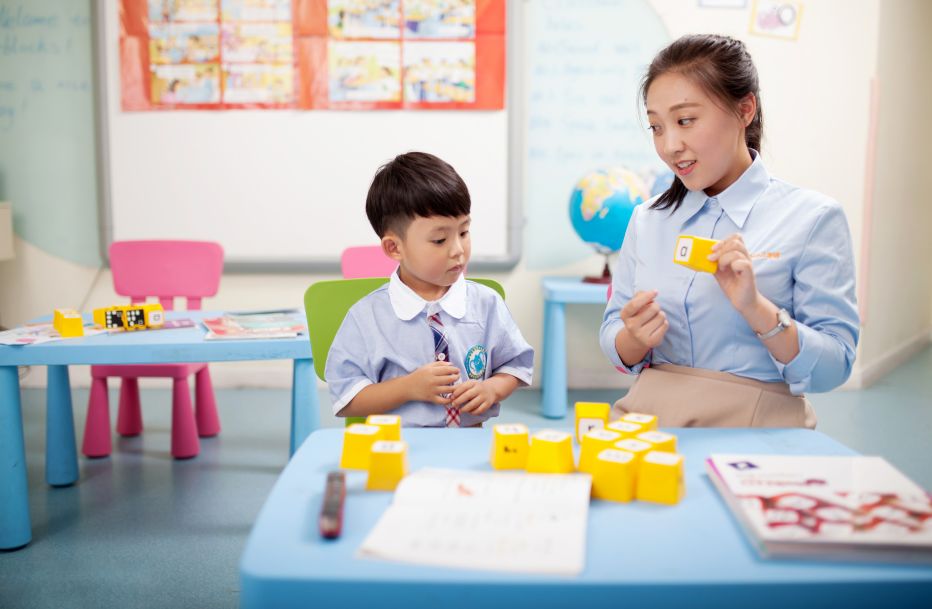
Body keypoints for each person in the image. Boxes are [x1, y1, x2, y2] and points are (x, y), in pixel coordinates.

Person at [599, 34, 859, 428]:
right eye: (656, 127)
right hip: (648, 421)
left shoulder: (812, 218)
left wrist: (758, 309)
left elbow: (834, 367)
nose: (670, 145)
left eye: (685, 120)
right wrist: (633, 338)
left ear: (745, 110)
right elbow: (613, 330)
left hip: (756, 428)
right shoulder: (647, 219)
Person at [326, 152, 534, 427]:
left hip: (470, 443)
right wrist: (408, 387)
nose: (458, 250)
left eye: (464, 232)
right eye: (439, 239)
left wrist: (493, 389)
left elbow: (515, 365)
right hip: (397, 447)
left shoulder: (486, 304)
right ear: (394, 247)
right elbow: (347, 399)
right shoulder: (366, 317)